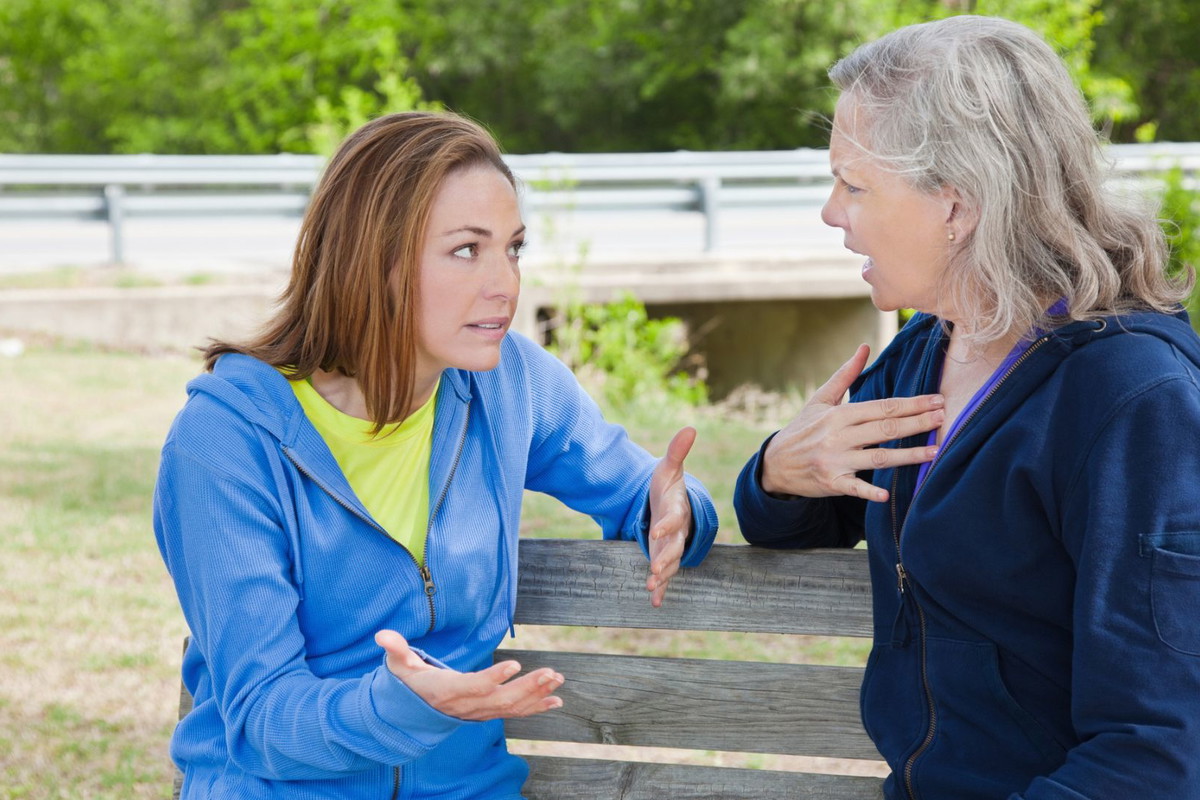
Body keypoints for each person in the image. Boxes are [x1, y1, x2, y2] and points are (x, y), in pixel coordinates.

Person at [153, 111, 719, 799]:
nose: (504, 284)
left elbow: (640, 490)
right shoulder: (227, 443)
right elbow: (265, 719)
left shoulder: (509, 384)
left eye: (513, 248)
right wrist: (407, 707)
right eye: (465, 251)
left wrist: (677, 510)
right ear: (377, 262)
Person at [734, 15, 1200, 800]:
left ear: (957, 205)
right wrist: (780, 472)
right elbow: (809, 520)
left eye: (854, 186)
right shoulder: (927, 349)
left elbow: (1157, 749)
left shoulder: (1134, 402)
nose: (830, 213)